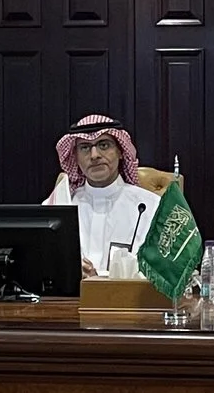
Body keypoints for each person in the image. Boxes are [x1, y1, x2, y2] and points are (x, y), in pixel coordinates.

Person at [43, 113, 161, 278]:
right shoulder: (58, 206)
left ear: (120, 151)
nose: (94, 155)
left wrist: (99, 278)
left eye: (104, 145)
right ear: (75, 157)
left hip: (128, 302)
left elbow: (162, 273)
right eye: (84, 147)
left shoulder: (152, 207)